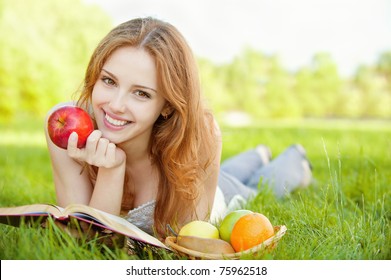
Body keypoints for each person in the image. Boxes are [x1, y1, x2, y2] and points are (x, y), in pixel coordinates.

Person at [45, 17, 312, 238]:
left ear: (168, 105)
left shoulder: (199, 132)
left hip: (216, 195)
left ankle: (296, 158)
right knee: (236, 170)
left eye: (141, 93)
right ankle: (259, 153)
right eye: (109, 81)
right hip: (211, 175)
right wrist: (111, 170)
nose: (115, 105)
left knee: (261, 186)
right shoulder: (67, 130)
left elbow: (189, 236)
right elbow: (84, 239)